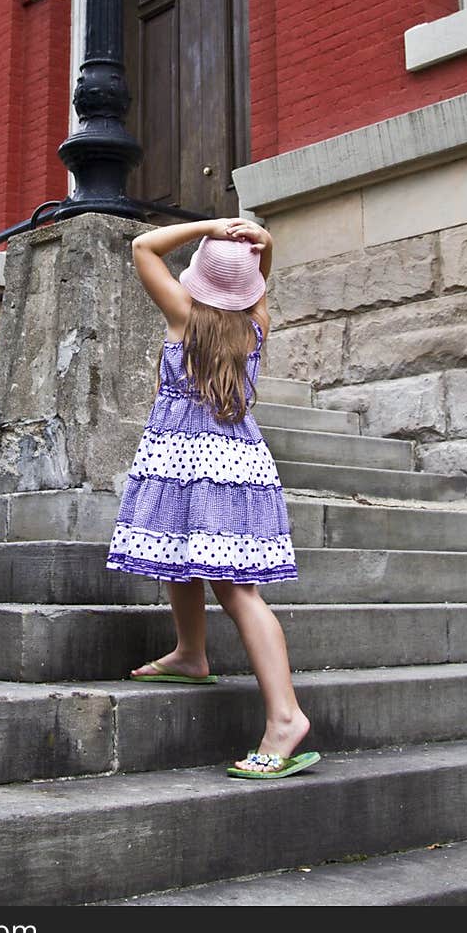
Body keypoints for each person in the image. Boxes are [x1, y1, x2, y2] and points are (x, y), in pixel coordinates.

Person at [107, 217, 320, 780]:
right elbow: (257, 284)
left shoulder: (183, 317)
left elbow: (142, 246)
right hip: (234, 460)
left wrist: (207, 227)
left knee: (237, 591)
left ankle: (285, 717)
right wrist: (262, 244)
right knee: (181, 553)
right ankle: (190, 652)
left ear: (198, 281)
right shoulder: (256, 324)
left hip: (188, 457)